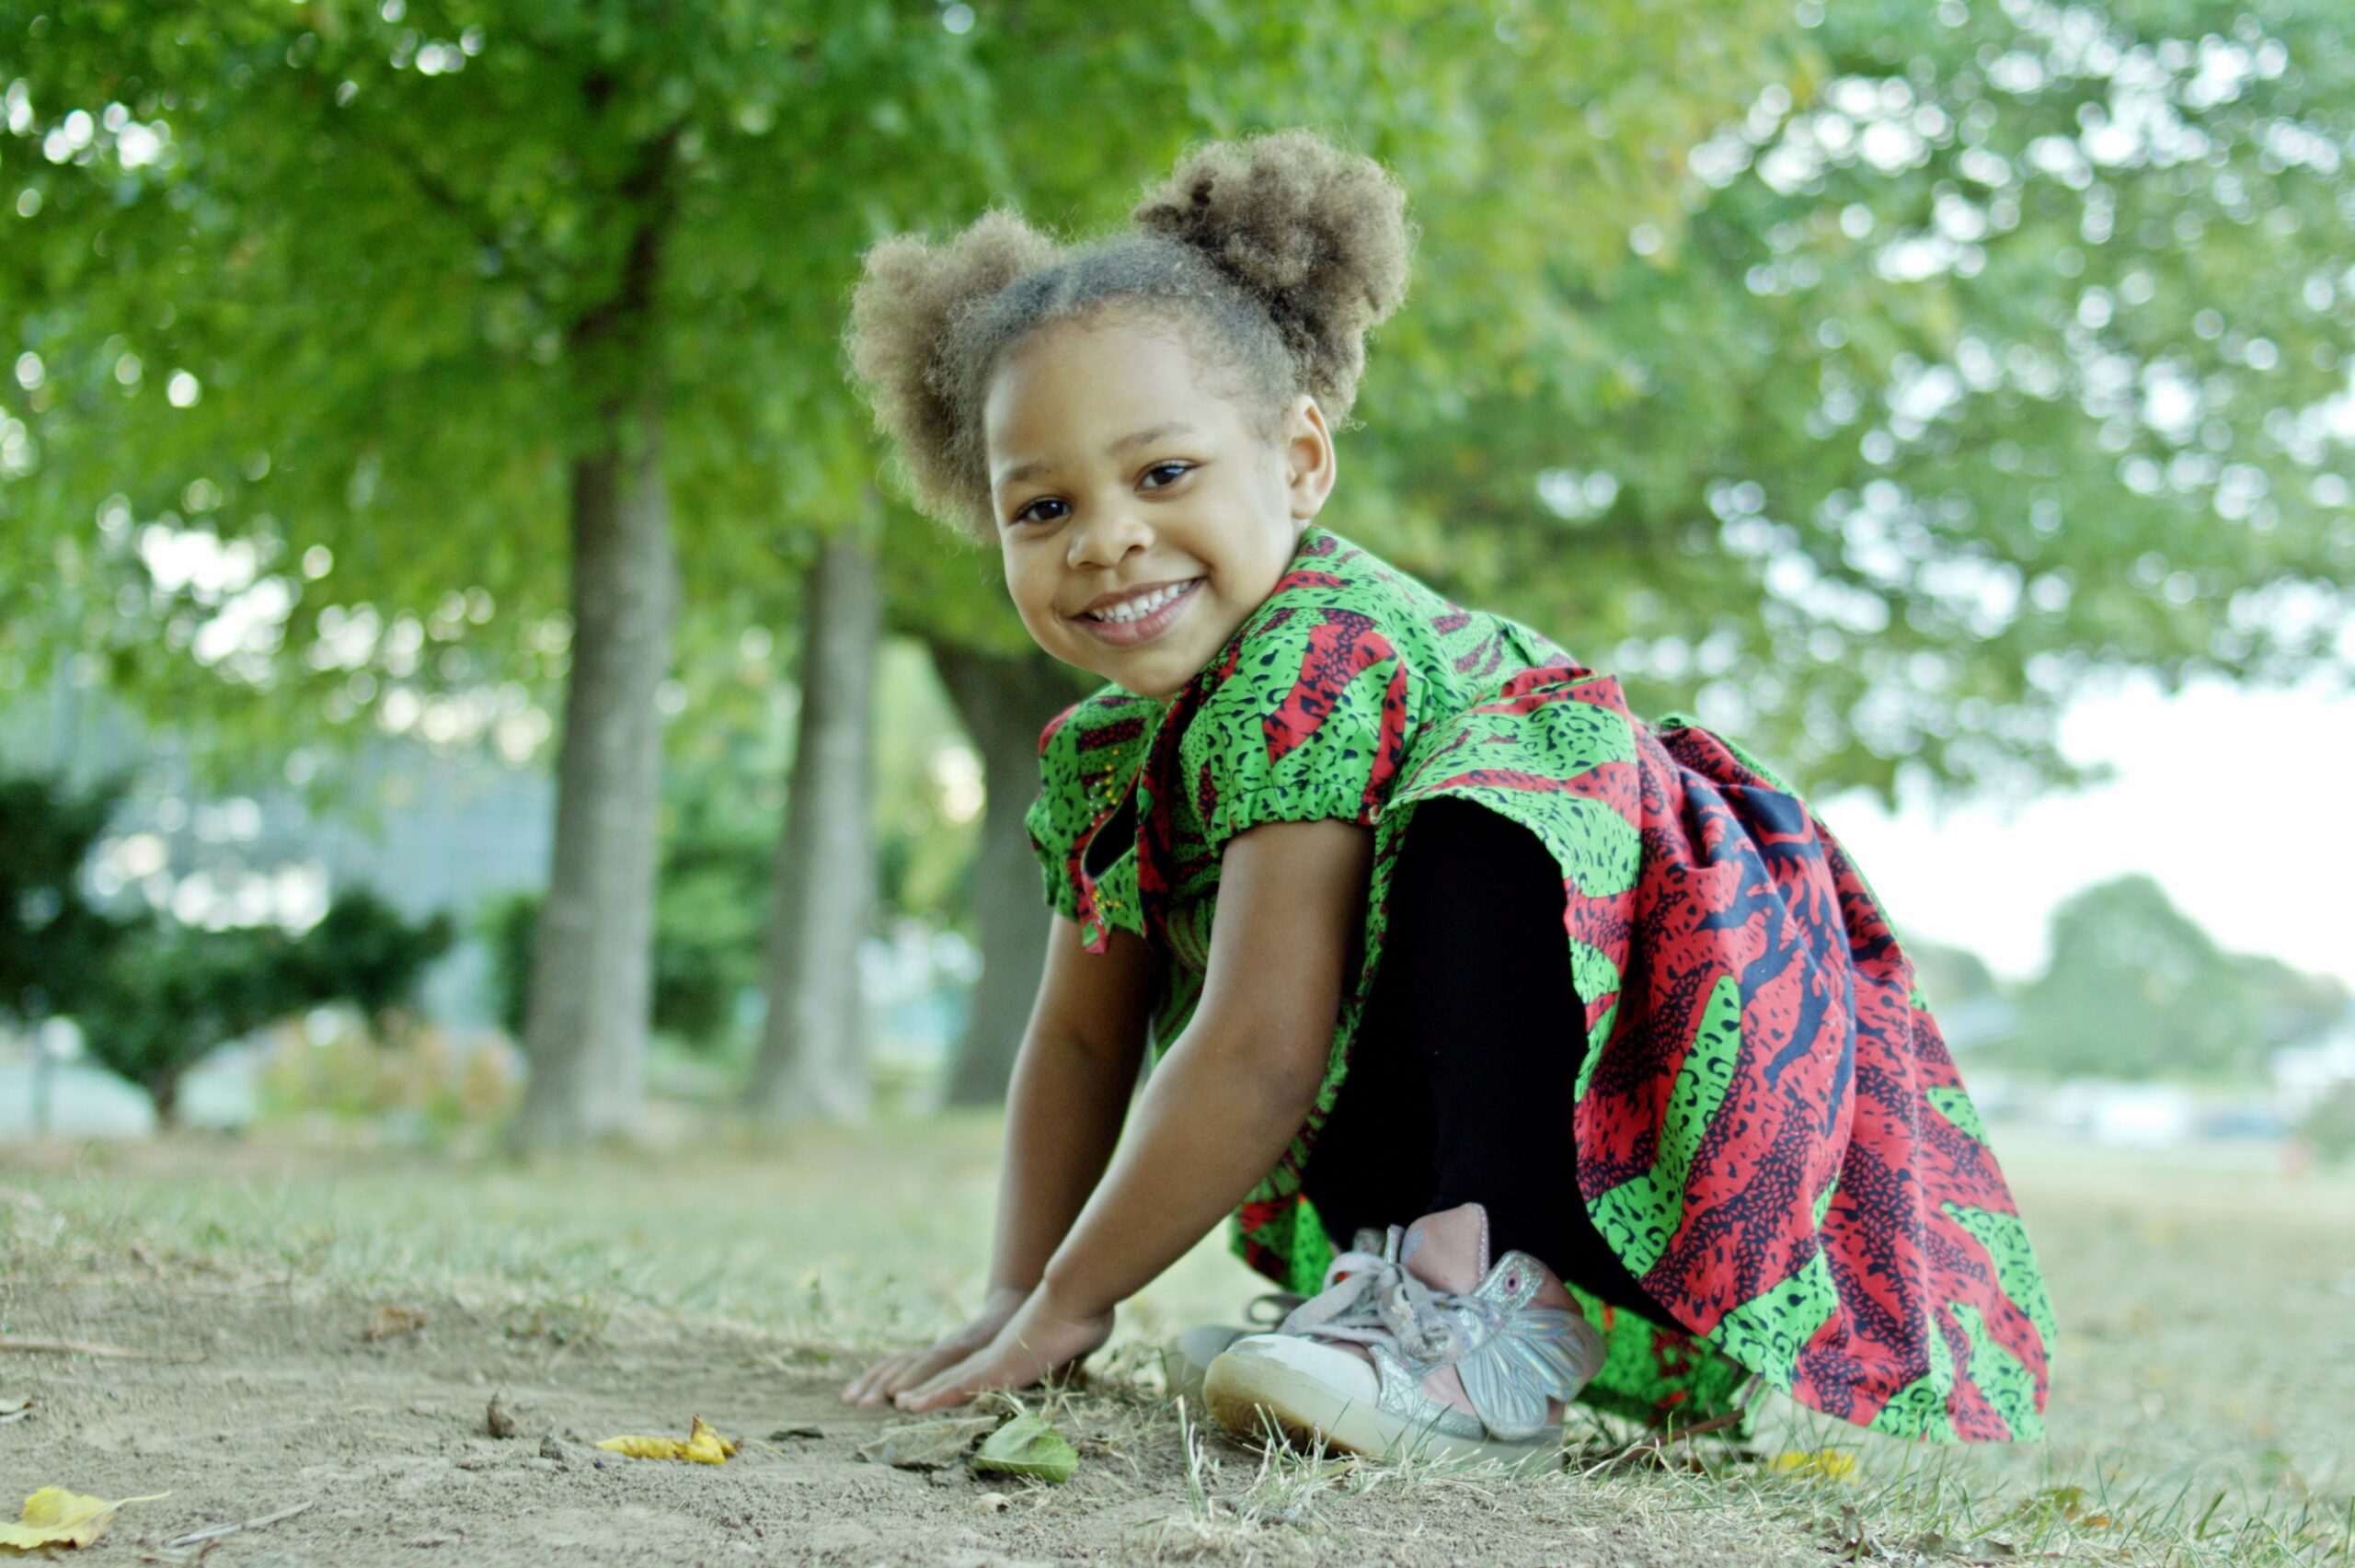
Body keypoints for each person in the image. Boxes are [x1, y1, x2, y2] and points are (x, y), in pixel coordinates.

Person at [835, 129, 2052, 1459]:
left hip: (1660, 1068)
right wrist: (1021, 1297)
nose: (1106, 535)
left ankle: (1465, 1303)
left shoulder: (1320, 653)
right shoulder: (1105, 755)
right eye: (1041, 506)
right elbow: (1078, 1041)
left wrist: (1077, 1298)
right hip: (1456, 1083)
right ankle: (1389, 1281)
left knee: (1482, 807)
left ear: (1300, 460)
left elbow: (1258, 1047)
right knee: (1342, 921)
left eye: (1164, 473)